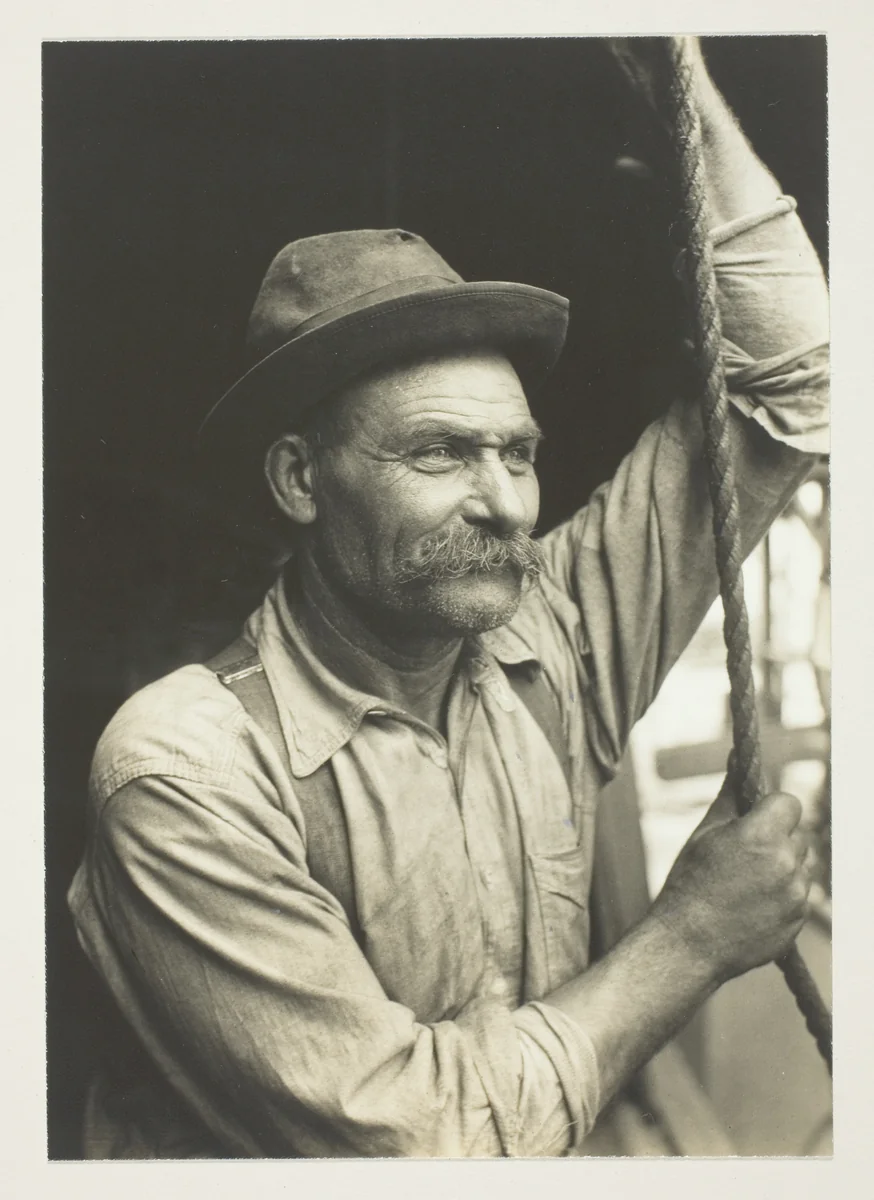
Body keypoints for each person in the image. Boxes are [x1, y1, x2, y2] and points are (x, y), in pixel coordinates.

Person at [68, 39, 829, 1158]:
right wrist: (692, 937)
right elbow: (424, 1143)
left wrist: (679, 85)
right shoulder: (187, 773)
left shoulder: (552, 637)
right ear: (300, 480)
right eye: (439, 454)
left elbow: (796, 382)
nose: (507, 505)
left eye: (518, 454)